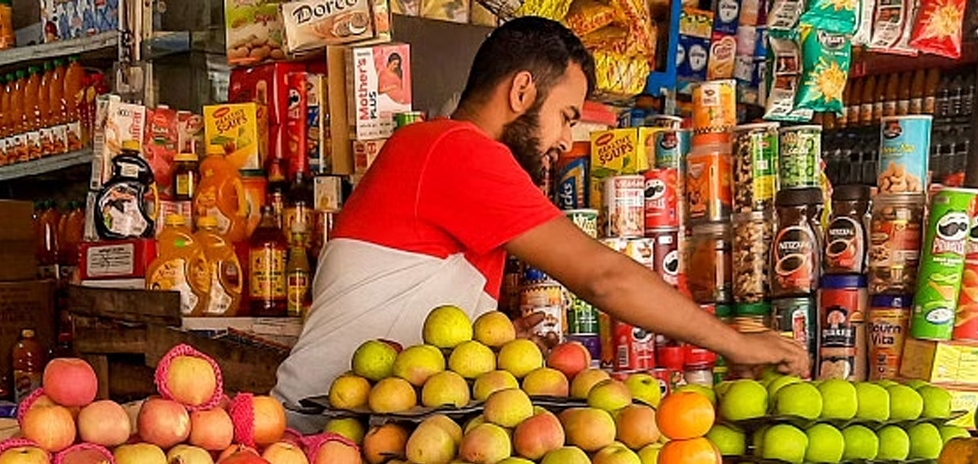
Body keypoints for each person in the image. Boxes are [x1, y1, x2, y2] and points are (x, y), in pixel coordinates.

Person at [271, 17, 810, 414]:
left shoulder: (434, 150)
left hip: (358, 430)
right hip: (320, 436)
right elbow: (602, 278)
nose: (567, 139)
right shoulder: (458, 150)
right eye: (566, 116)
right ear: (523, 91)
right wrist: (735, 343)